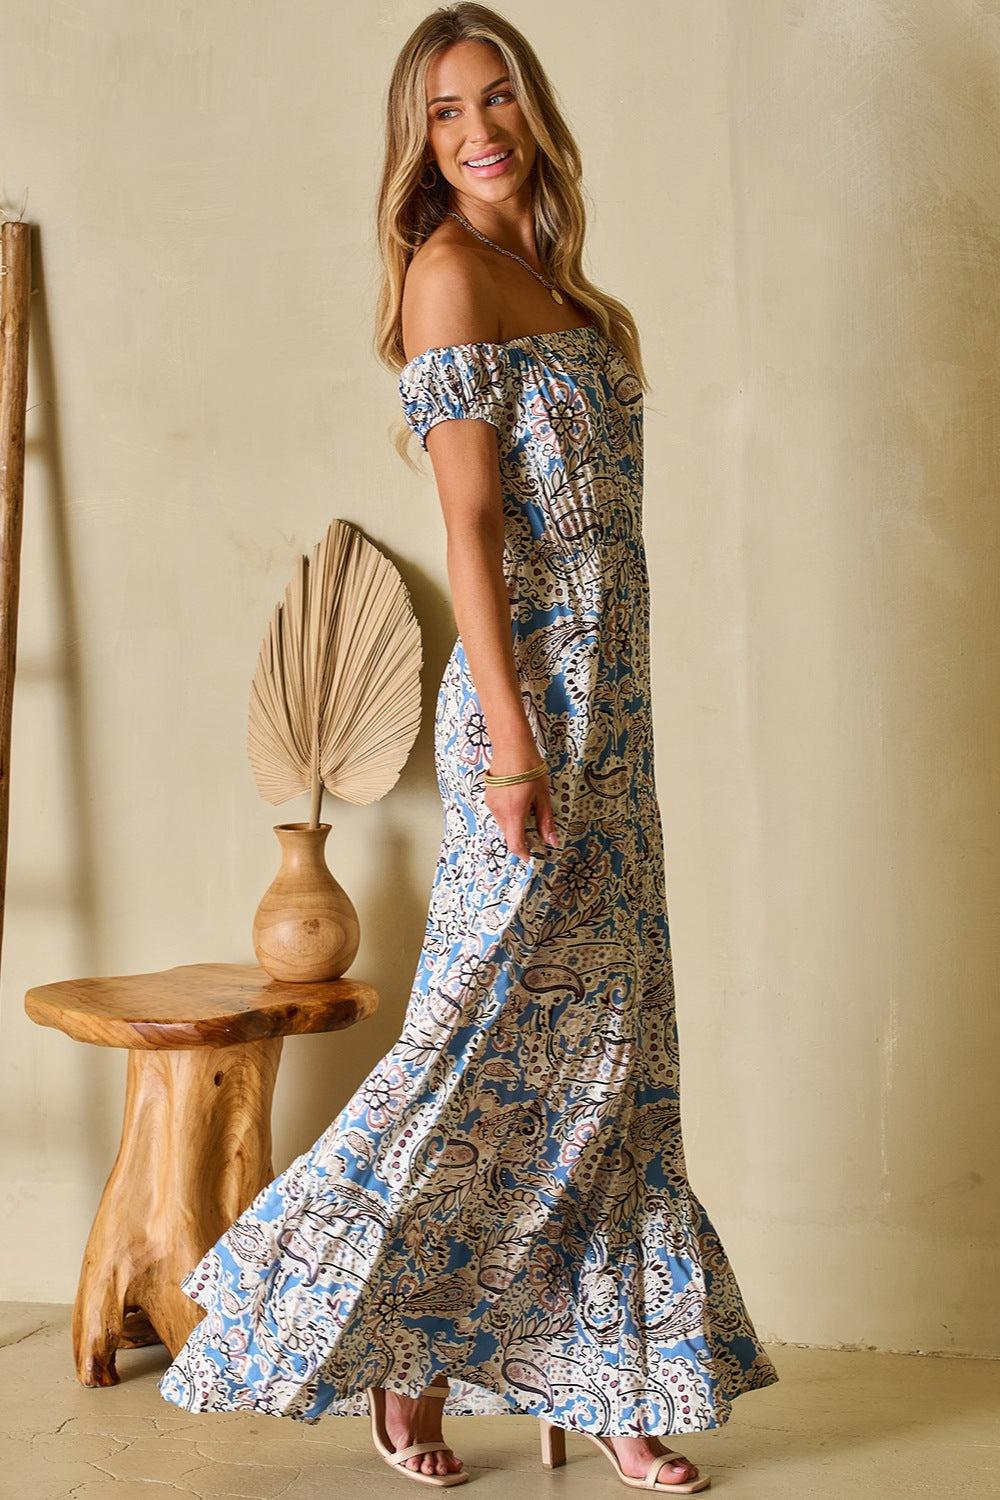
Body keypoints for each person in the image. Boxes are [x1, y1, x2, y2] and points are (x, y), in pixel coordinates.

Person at [158, 5, 778, 1493]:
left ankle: (616, 1375)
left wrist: (587, 733)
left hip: (612, 718)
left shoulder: (562, 286)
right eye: (445, 112)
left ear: (534, 110)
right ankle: (402, 1363)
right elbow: (475, 529)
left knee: (611, 1062)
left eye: (496, 97)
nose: (478, 127)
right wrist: (512, 745)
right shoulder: (449, 276)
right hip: (530, 714)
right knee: (477, 1050)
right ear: (419, 145)